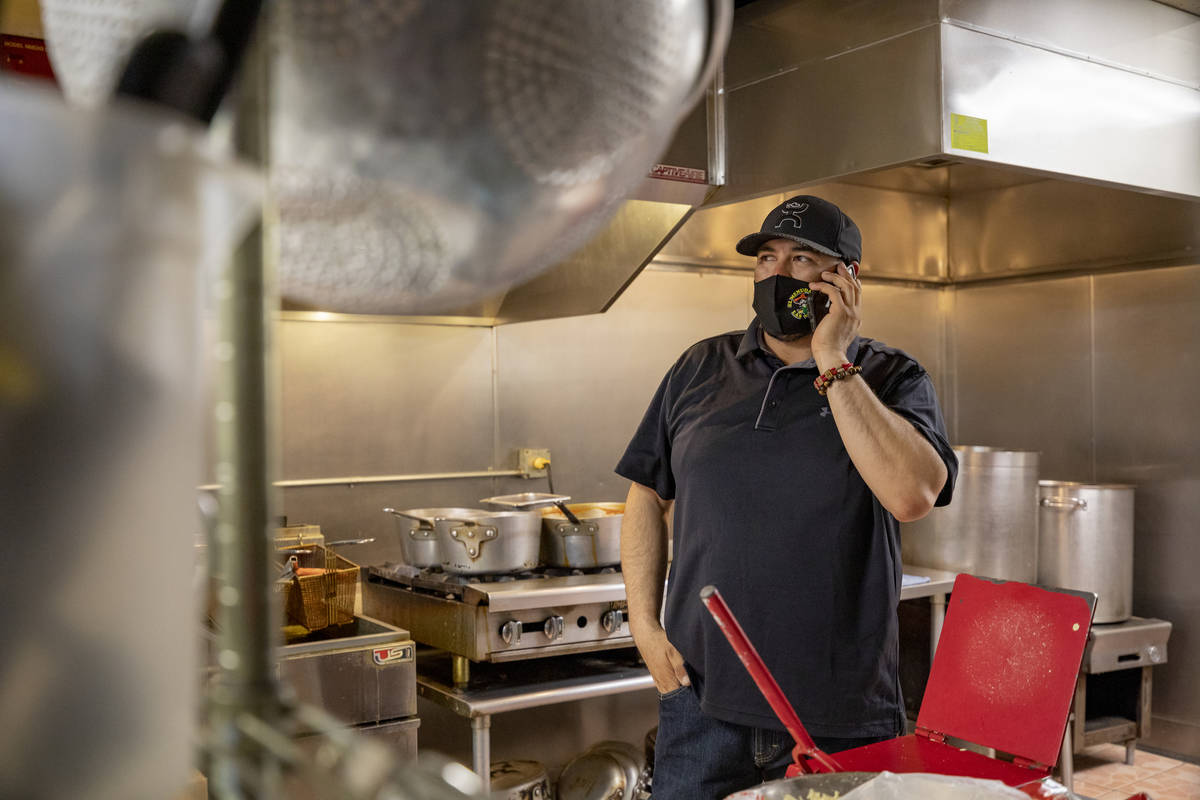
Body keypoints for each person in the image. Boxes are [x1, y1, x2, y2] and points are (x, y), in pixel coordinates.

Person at [615, 195, 958, 799]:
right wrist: (643, 625)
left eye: (801, 260)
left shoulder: (894, 378)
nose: (776, 274)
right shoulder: (699, 367)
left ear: (845, 279)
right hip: (701, 704)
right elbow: (646, 492)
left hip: (838, 714)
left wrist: (832, 359)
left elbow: (912, 496)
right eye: (766, 258)